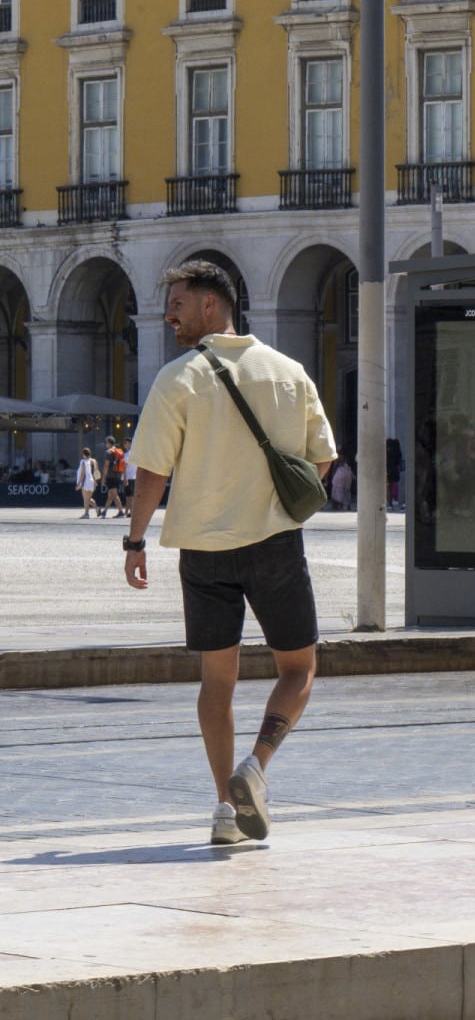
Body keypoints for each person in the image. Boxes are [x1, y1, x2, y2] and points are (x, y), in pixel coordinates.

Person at [122, 260, 336, 845]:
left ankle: (225, 808)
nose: (170, 315)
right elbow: (321, 461)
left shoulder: (178, 378)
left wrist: (135, 540)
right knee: (300, 667)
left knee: (217, 682)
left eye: (180, 304)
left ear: (211, 306)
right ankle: (257, 767)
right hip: (274, 544)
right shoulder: (290, 373)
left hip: (204, 551)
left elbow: (152, 474)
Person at [102, 436, 128, 517]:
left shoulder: (108, 452)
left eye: (106, 443)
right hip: (118, 475)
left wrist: (103, 478)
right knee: (111, 494)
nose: (105, 445)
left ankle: (117, 512)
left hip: (110, 476)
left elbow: (106, 466)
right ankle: (108, 511)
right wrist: (124, 477)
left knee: (113, 494)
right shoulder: (119, 452)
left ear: (109, 443)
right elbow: (123, 466)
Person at [74, 447, 99, 519]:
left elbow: (82, 473)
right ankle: (97, 509)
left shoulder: (83, 461)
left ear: (83, 454)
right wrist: (95, 482)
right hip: (92, 481)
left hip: (86, 481)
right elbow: (96, 472)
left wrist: (78, 483)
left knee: (86, 499)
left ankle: (86, 513)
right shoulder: (94, 461)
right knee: (89, 498)